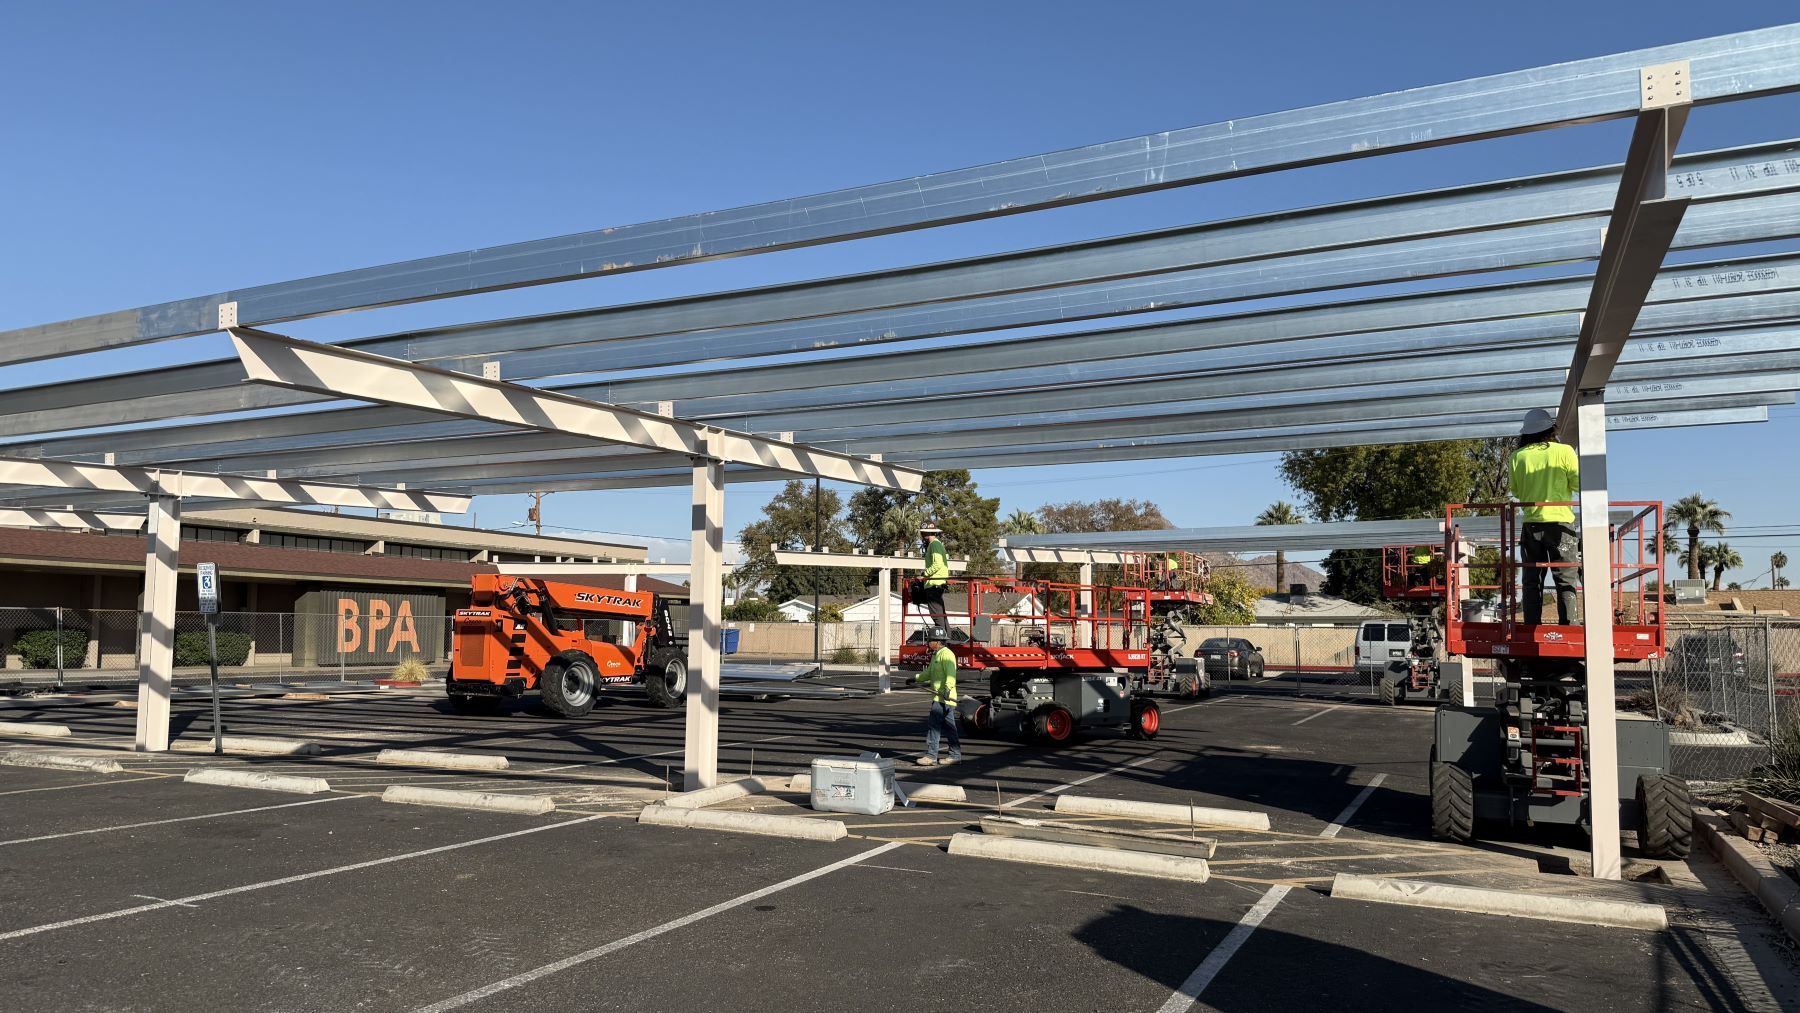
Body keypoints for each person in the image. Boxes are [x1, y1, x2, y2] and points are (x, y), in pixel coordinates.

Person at [1509, 407, 1581, 624]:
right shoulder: (1565, 451)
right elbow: (1578, 483)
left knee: (1532, 581)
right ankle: (1569, 627)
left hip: (1532, 525)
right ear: (1550, 429)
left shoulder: (1517, 457)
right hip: (1561, 525)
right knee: (1566, 580)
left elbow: (1518, 492)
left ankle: (1532, 626)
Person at [915, 629, 960, 766]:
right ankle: (955, 755)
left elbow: (951, 674)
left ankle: (931, 756)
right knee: (950, 727)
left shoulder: (947, 655)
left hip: (944, 698)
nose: (928, 643)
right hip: (940, 697)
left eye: (930, 640)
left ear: (938, 642)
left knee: (934, 726)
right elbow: (929, 673)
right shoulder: (936, 655)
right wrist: (915, 678)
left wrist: (947, 689)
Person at [913, 522, 950, 633]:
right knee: (940, 614)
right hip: (936, 583)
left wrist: (924, 575)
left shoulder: (934, 544)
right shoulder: (936, 544)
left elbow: (937, 564)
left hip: (934, 583)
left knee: (936, 615)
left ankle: (942, 639)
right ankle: (947, 637)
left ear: (925, 534)